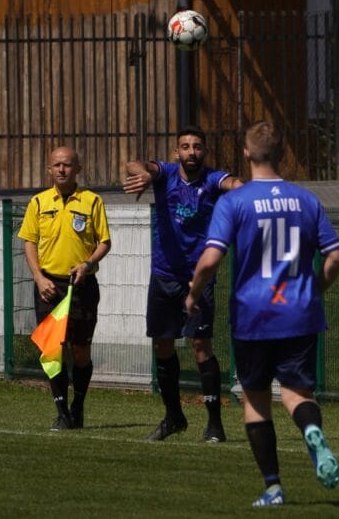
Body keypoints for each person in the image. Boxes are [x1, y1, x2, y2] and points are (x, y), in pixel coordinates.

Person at [185, 121, 339, 507]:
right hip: (300, 314)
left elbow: (210, 260)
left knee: (256, 401)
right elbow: (337, 257)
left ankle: (273, 487)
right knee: (296, 394)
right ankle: (311, 430)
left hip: (254, 315)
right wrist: (313, 289)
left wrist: (193, 292)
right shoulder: (306, 200)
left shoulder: (235, 201)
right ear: (283, 150)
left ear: (245, 153)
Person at [123, 125, 243, 443]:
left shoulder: (214, 180)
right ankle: (173, 416)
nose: (191, 152)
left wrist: (250, 191)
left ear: (205, 152)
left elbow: (235, 184)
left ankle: (215, 424)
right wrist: (145, 175)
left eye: (197, 147)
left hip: (198, 278)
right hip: (164, 276)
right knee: (162, 346)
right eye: (185, 147)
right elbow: (134, 165)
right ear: (177, 152)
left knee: (201, 346)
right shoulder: (164, 174)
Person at [18, 146, 111, 431]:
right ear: (49, 169)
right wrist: (38, 277)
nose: (62, 170)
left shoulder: (92, 201)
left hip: (81, 285)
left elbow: (104, 242)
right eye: (57, 165)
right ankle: (61, 411)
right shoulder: (38, 202)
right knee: (51, 351)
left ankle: (78, 405)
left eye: (67, 165)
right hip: (49, 285)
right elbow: (29, 242)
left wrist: (87, 263)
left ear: (78, 169)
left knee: (80, 351)